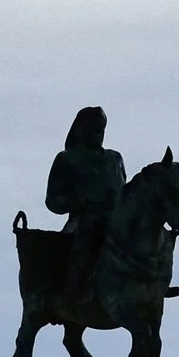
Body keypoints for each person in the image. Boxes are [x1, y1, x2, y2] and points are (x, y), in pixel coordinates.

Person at [46, 105, 125, 308]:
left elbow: (124, 190)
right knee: (87, 238)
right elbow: (53, 200)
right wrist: (82, 201)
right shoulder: (66, 159)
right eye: (93, 128)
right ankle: (76, 288)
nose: (98, 133)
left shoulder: (114, 159)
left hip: (116, 220)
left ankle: (153, 282)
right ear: (81, 130)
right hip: (84, 221)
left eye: (101, 129)